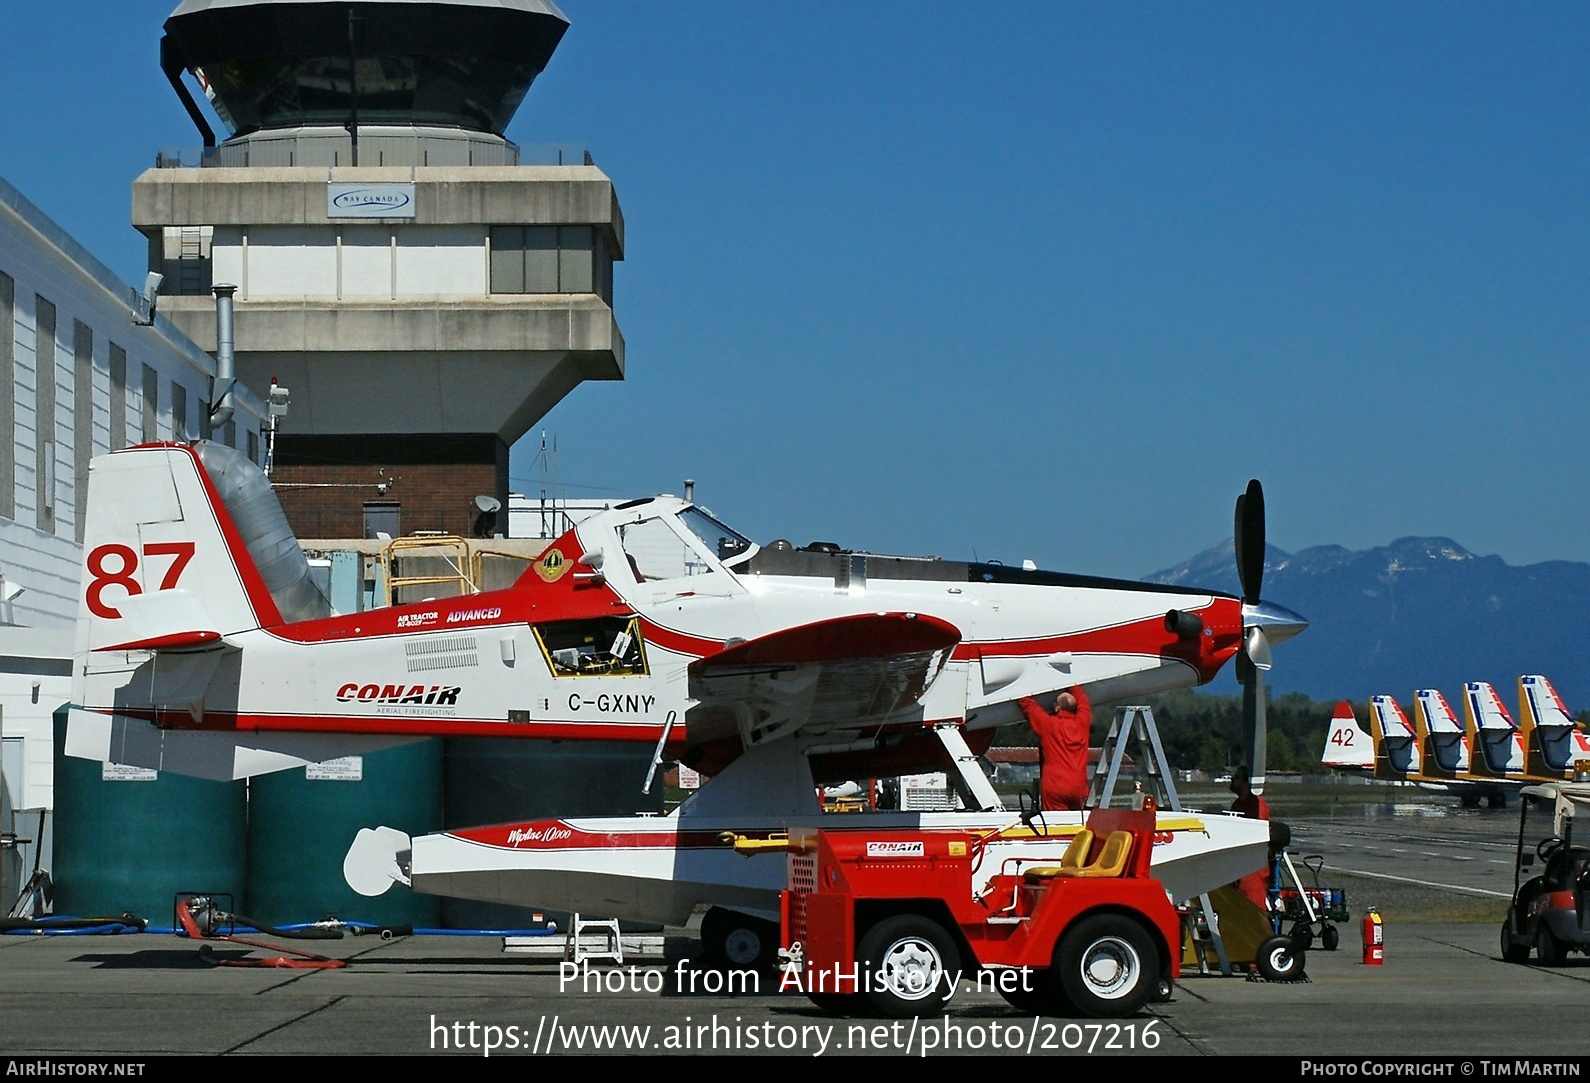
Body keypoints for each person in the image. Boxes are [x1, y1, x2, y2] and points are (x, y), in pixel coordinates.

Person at [1017, 685, 1092, 811]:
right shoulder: (1083, 721)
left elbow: (1026, 703)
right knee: (1077, 824)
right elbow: (1082, 698)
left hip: (1055, 786)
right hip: (1079, 786)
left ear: (1057, 708)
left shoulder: (1048, 724)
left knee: (1054, 824)